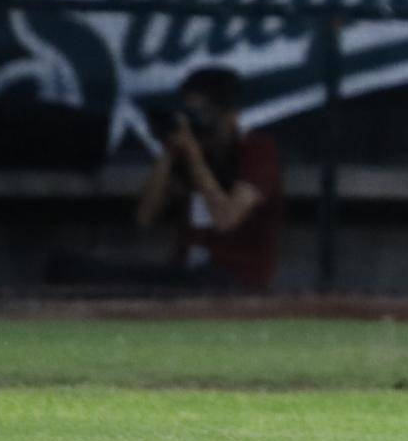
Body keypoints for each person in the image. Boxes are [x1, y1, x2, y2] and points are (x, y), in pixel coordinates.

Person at [48, 67, 285, 292]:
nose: (197, 123)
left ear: (228, 114)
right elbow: (144, 217)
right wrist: (169, 153)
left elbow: (226, 219)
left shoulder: (257, 150)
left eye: (203, 114)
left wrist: (194, 157)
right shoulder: (190, 153)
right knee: (69, 267)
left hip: (235, 276)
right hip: (184, 273)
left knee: (197, 282)